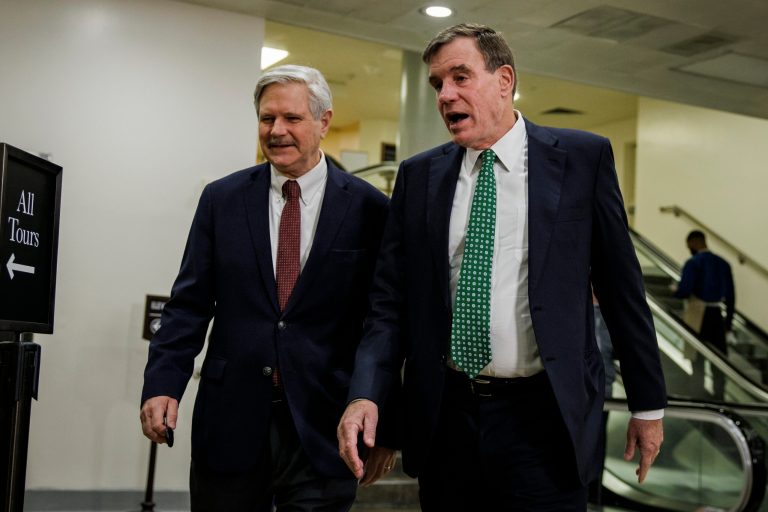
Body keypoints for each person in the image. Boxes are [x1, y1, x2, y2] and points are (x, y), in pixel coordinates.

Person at [338, 24, 666, 511]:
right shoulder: (418, 176)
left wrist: (648, 404)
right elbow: (389, 305)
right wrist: (368, 395)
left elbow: (622, 290)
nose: (446, 94)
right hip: (447, 416)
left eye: (460, 77)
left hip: (545, 417)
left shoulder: (581, 158)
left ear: (504, 79)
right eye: (437, 85)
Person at [140, 64, 395, 512]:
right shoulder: (222, 199)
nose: (276, 130)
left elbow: (385, 322)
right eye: (266, 118)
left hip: (323, 427)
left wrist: (386, 424)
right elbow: (189, 304)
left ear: (324, 121)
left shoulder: (371, 209)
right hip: (231, 420)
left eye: (292, 119)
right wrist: (163, 382)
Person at [675, 229, 735, 400]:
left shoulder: (694, 262)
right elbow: (731, 297)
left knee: (697, 361)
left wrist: (676, 291)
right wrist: (728, 323)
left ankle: (698, 399)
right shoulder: (724, 263)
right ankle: (719, 398)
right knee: (719, 363)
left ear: (693, 242)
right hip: (717, 315)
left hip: (698, 314)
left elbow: (684, 290)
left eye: (689, 245)